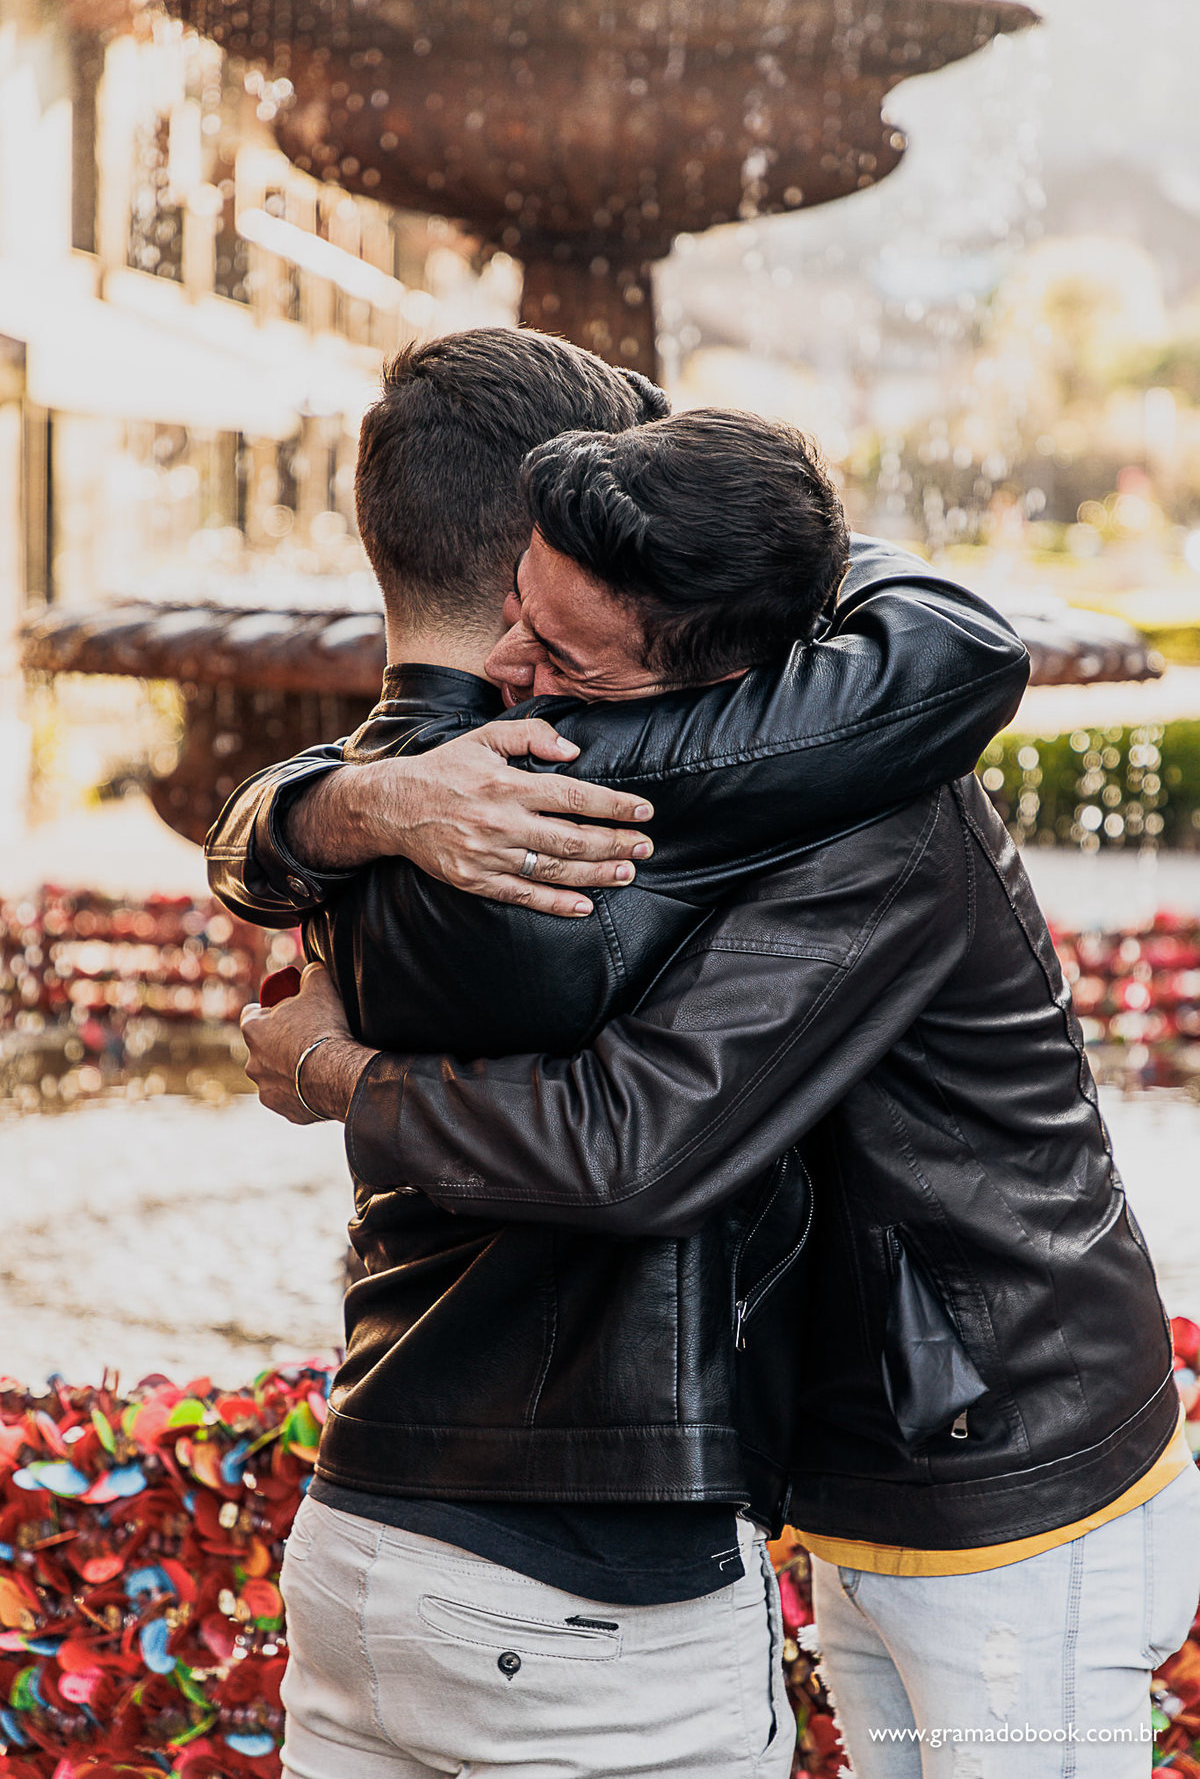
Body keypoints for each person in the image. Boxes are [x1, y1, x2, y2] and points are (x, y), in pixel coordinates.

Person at [237, 401, 1200, 1777]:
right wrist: (353, 813)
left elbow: (631, 1147)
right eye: (514, 611)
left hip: (1008, 1479)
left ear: (727, 681)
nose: (505, 672)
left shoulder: (872, 821)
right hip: (886, 1467)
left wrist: (340, 1070)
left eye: (562, 653)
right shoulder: (748, 764)